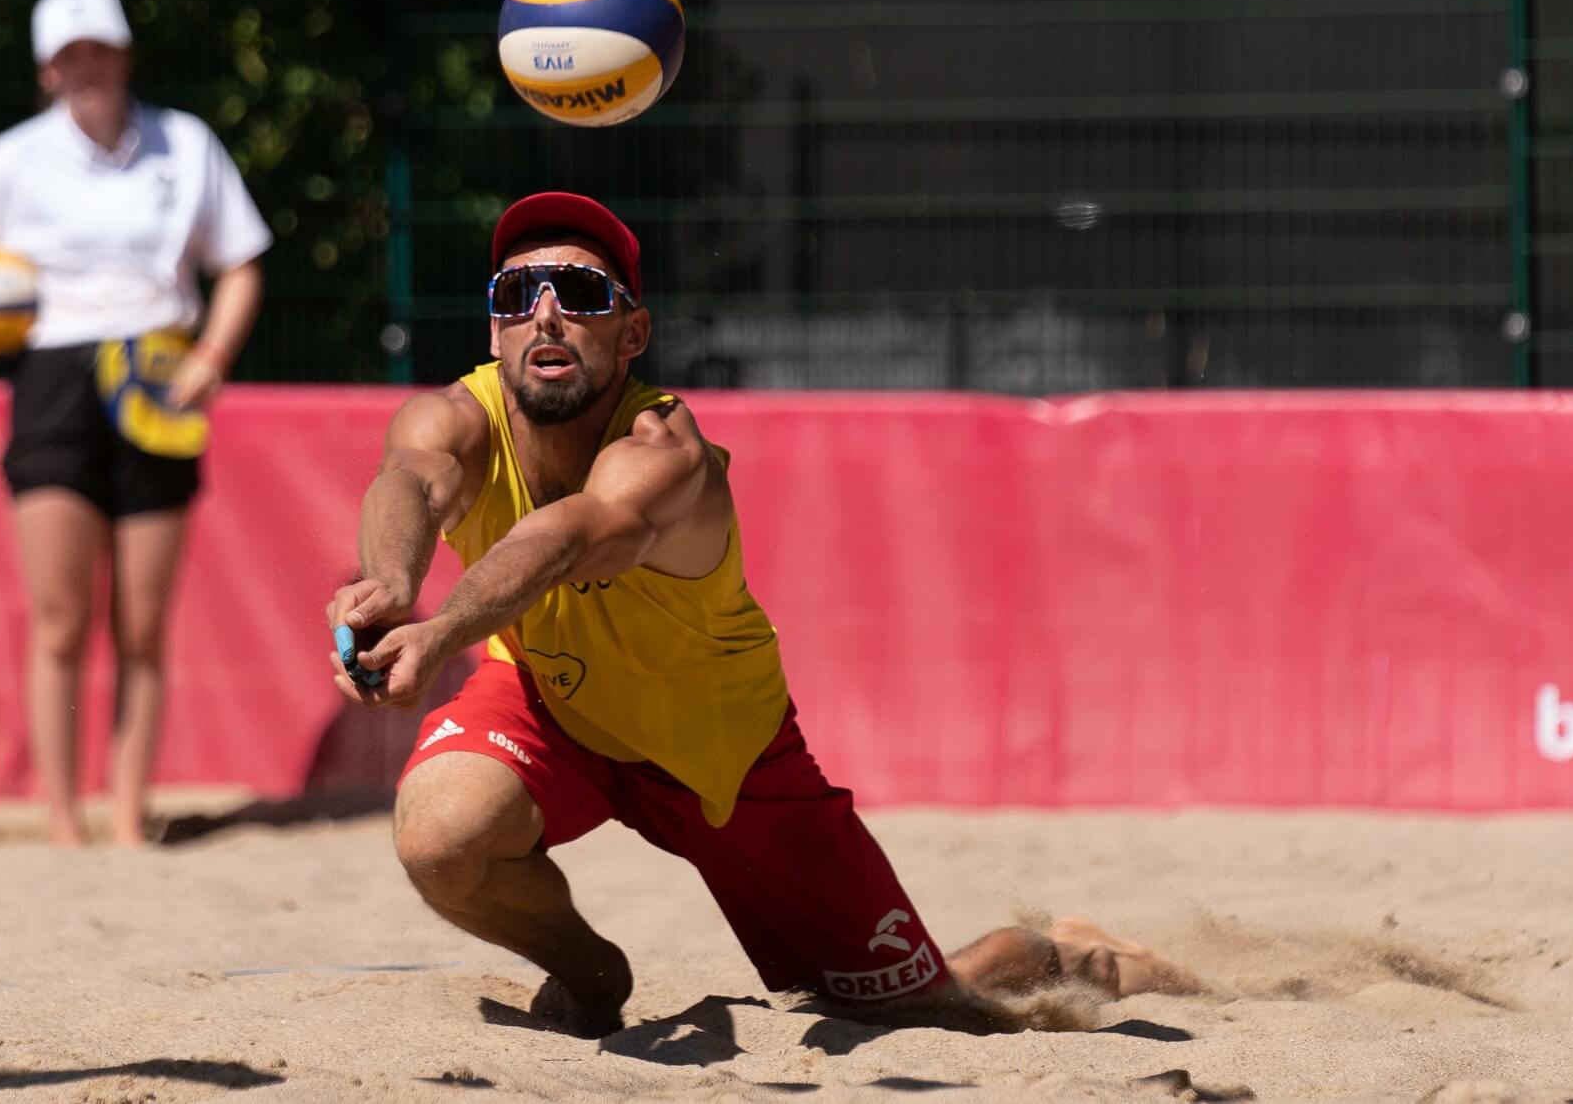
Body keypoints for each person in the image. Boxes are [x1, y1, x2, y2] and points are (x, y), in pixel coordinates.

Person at [324, 192, 1204, 1035]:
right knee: (440, 836)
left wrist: (441, 630)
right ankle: (594, 977)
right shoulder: (457, 416)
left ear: (633, 333)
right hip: (551, 702)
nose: (546, 313)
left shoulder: (665, 451)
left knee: (923, 1006)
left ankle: (1079, 953)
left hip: (724, 758)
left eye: (582, 293)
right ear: (495, 326)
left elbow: (567, 534)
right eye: (518, 294)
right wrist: (393, 585)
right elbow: (409, 481)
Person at [0, 0, 271, 847]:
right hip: (55, 380)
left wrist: (212, 355)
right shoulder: (15, 158)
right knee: (60, 617)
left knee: (142, 623)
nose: (86, 67)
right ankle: (64, 821)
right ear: (46, 70)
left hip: (157, 374)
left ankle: (130, 817)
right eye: (69, 56)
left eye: (98, 49)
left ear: (124, 53)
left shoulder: (185, 144)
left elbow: (243, 260)